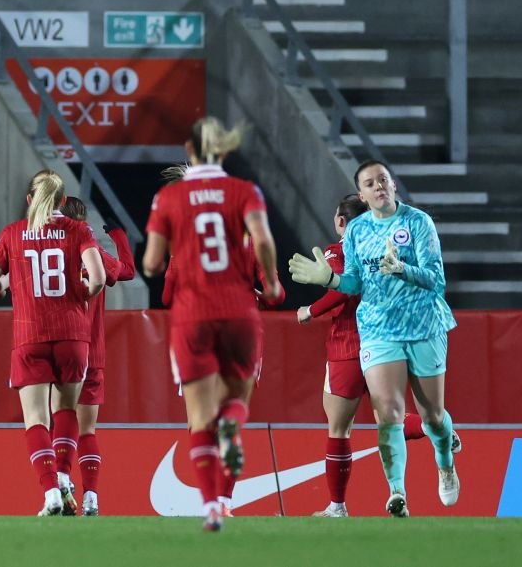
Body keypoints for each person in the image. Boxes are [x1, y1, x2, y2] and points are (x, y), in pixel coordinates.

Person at [289, 160, 460, 518]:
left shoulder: (418, 223)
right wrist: (330, 280)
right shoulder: (356, 233)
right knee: (389, 414)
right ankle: (397, 493)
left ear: (393, 185)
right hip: (378, 331)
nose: (378, 186)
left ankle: (445, 465)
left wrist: (403, 269)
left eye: (383, 179)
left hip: (423, 326)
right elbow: (353, 284)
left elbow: (437, 280)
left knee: (432, 416)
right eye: (369, 183)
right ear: (363, 196)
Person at [142, 117, 281, 532]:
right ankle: (232, 428)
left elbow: (150, 263)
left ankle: (211, 508)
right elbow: (263, 239)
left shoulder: (168, 197)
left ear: (189, 150)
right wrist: (271, 284)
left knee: (200, 416)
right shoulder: (244, 192)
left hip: (192, 315)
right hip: (239, 309)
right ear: (223, 150)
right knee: (235, 398)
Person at [0, 169, 106, 516]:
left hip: (29, 333)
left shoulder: (13, 234)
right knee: (65, 411)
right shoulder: (78, 230)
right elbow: (99, 278)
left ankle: (50, 491)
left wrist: (7, 283)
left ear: (30, 200)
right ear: (63, 200)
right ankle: (64, 476)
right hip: (73, 334)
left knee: (35, 419)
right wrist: (81, 294)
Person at [49, 197, 136, 517]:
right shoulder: (94, 254)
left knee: (61, 421)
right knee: (86, 430)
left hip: (60, 348)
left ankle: (60, 480)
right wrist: (119, 235)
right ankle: (91, 497)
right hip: (93, 353)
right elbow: (126, 271)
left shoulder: (51, 253)